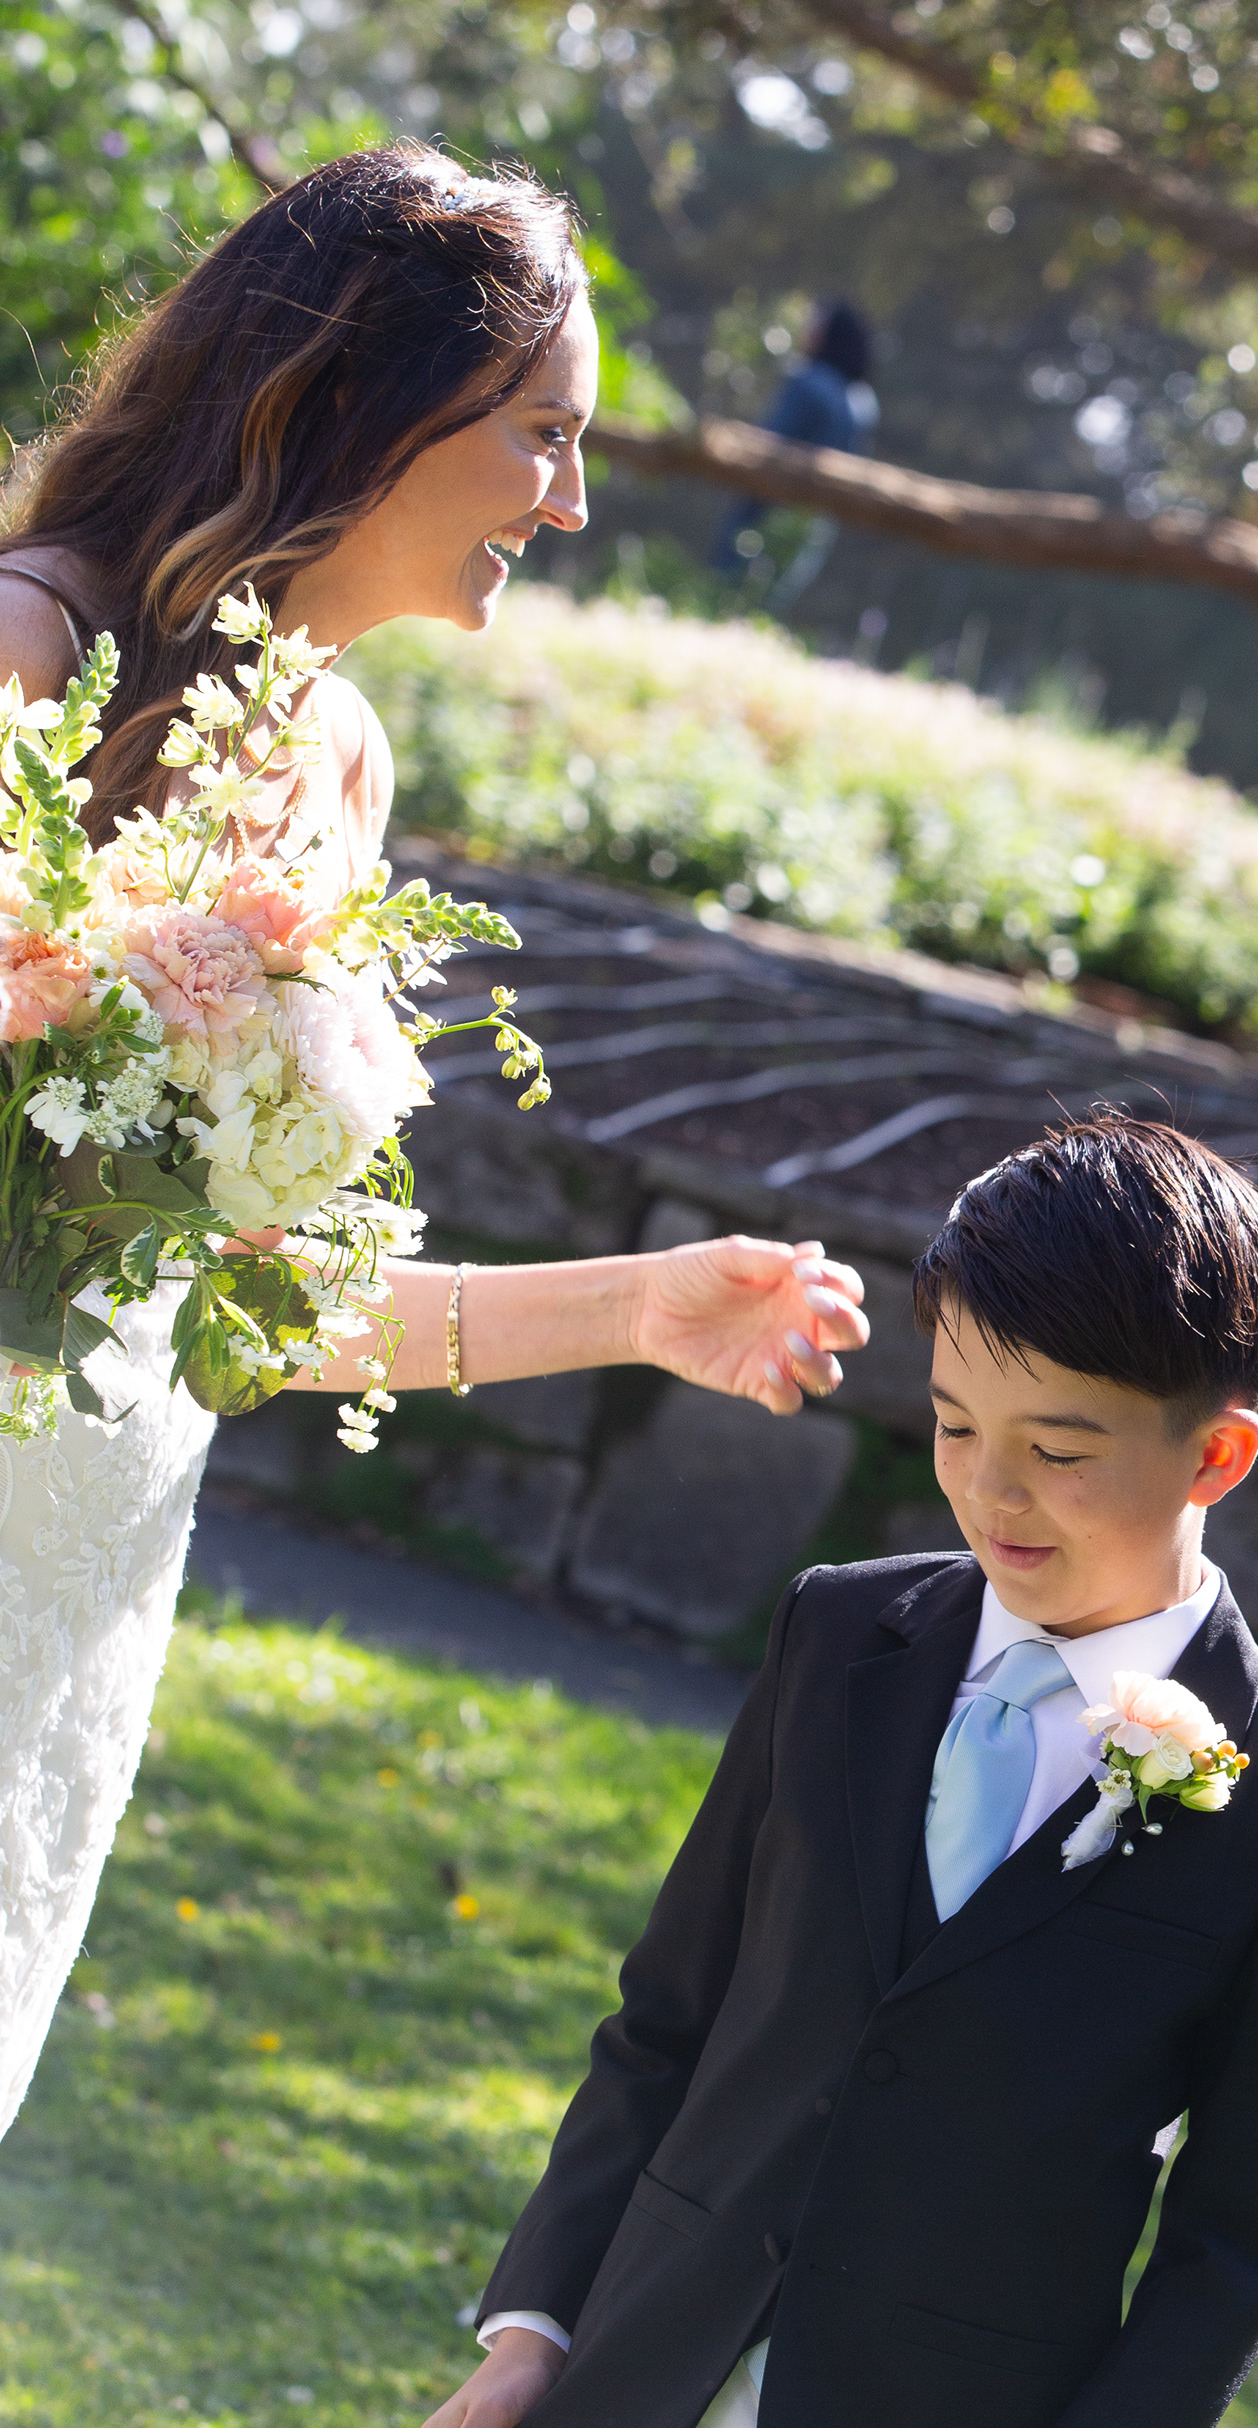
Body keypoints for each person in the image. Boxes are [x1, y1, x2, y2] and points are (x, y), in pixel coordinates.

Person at [415, 1114, 1258, 2428]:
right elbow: (667, 2027)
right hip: (647, 2423)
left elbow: (1235, 2244)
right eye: (955, 1428)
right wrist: (535, 2332)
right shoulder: (837, 1639)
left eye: (1059, 1450)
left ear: (1218, 1452)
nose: (992, 1493)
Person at [0, 144, 868, 2144]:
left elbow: (255, 1310)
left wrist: (643, 1310)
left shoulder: (343, 763)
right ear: (352, 402)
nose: (572, 502)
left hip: (73, 1594)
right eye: (542, 434)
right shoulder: (29, 651)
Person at [709, 298, 877, 599]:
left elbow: (767, 445)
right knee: (765, 601)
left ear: (829, 334)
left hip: (765, 507)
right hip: (814, 524)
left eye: (814, 324)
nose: (805, 330)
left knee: (726, 590)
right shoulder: (863, 403)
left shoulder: (809, 383)